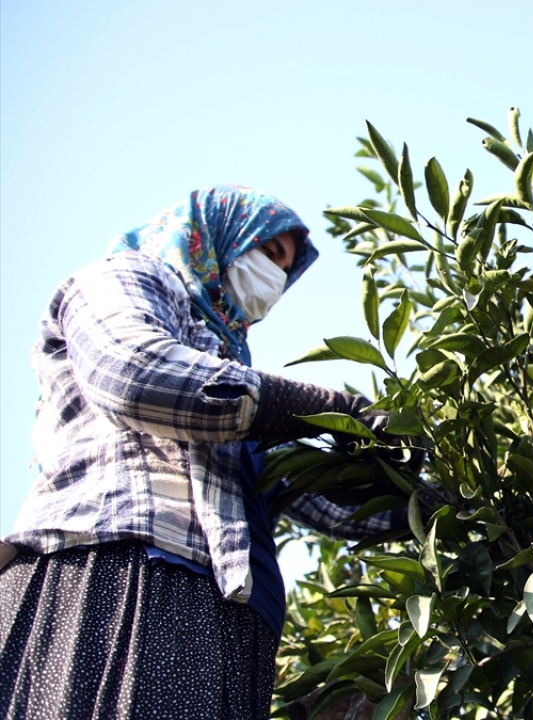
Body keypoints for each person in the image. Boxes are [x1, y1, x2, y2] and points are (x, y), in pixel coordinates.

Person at [0, 185, 401, 720]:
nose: (274, 277)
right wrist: (323, 406)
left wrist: (454, 497)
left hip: (233, 617)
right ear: (220, 237)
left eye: (285, 266)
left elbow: (332, 504)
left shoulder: (229, 366)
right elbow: (135, 374)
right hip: (123, 567)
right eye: (267, 252)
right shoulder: (127, 277)